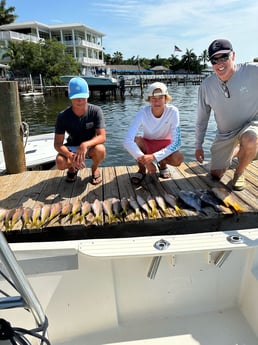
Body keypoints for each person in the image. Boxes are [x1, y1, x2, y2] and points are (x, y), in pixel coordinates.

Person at [195, 39, 258, 191]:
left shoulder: (253, 71)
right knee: (215, 174)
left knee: (250, 139)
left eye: (224, 57)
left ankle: (239, 172)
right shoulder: (206, 86)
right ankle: (243, 151)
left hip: (251, 125)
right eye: (214, 60)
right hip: (225, 134)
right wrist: (198, 145)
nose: (219, 63)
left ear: (233, 56)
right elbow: (202, 119)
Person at [123, 82, 184, 184]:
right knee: (136, 140)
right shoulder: (143, 112)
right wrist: (147, 163)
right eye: (153, 98)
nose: (157, 101)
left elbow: (177, 142)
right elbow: (127, 141)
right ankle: (142, 170)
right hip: (147, 143)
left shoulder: (173, 111)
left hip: (165, 144)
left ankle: (162, 164)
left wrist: (154, 157)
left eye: (161, 97)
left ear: (166, 98)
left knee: (179, 158)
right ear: (149, 99)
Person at [54, 77, 106, 184]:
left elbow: (102, 136)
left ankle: (94, 167)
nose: (80, 100)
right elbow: (58, 144)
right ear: (69, 97)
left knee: (101, 150)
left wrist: (85, 145)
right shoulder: (63, 116)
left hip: (90, 146)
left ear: (88, 95)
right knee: (60, 162)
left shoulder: (96, 111)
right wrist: (70, 156)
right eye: (76, 97)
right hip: (72, 147)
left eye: (83, 96)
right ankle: (72, 168)